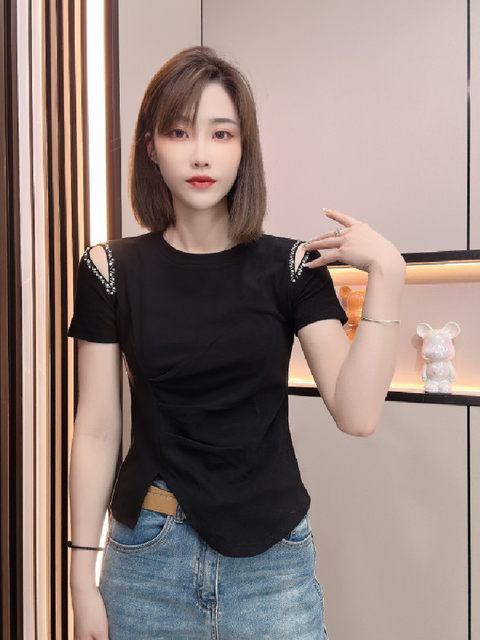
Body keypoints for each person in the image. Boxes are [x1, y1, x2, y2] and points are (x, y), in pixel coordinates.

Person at [67, 45, 406, 640]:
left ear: (244, 147)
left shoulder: (292, 267)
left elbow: (357, 415)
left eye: (221, 134)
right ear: (151, 147)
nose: (200, 153)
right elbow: (96, 429)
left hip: (273, 569)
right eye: (179, 132)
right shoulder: (109, 269)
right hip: (147, 560)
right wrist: (79, 575)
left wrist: (389, 274)